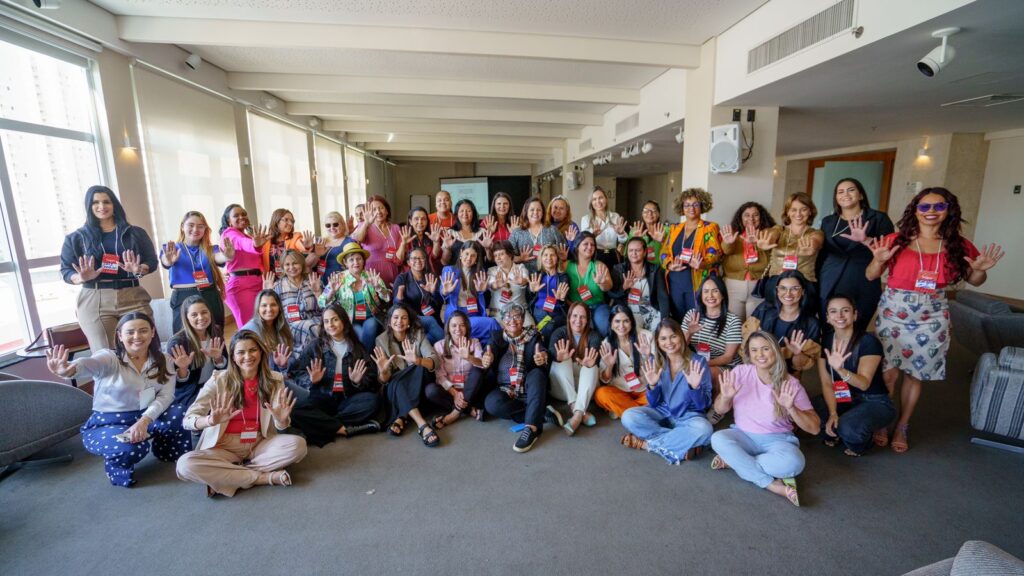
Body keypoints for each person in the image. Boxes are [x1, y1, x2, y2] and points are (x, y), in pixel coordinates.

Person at [867, 187, 1003, 453]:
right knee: (889, 372)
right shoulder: (896, 240)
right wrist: (877, 260)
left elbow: (974, 279)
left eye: (938, 207)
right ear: (915, 210)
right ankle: (884, 420)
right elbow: (871, 275)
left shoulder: (959, 245)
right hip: (895, 310)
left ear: (948, 211)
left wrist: (978, 272)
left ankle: (903, 424)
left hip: (932, 313)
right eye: (925, 207)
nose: (931, 212)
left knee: (915, 373)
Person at [45, 313, 189, 487]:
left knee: (178, 412)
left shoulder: (163, 359)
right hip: (109, 422)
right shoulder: (109, 358)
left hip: (148, 416)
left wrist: (144, 421)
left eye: (143, 331)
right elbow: (90, 364)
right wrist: (68, 371)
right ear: (120, 335)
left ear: (152, 332)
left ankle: (167, 451)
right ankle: (116, 468)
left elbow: (166, 395)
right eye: (130, 332)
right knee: (133, 449)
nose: (137, 336)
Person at [176, 330, 307, 497]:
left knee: (298, 445)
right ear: (233, 356)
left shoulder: (275, 379)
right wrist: (209, 420)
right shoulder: (219, 379)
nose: (248, 356)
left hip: (259, 441)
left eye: (253, 350)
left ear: (260, 351)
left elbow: (280, 422)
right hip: (223, 446)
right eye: (241, 352)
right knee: (184, 465)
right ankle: (261, 478)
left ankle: (230, 476)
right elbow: (187, 420)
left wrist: (281, 421)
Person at [709, 331, 821, 507]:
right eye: (754, 350)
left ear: (775, 351)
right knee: (717, 438)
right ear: (749, 354)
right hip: (743, 435)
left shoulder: (790, 383)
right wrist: (725, 397)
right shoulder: (740, 372)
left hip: (777, 441)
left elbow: (814, 428)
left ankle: (734, 462)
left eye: (765, 349)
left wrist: (791, 408)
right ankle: (772, 485)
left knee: (795, 462)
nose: (759, 355)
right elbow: (719, 409)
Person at [60, 185, 158, 353]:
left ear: (114, 205)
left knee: (145, 350)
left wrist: (140, 268)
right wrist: (80, 277)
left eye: (106, 201)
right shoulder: (76, 238)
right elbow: (65, 270)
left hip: (132, 294)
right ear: (89, 207)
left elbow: (152, 261)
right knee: (106, 355)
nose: (102, 206)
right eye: (95, 202)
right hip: (95, 298)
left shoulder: (135, 233)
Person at [812, 294, 896, 457]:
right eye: (834, 312)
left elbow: (864, 384)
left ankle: (861, 440)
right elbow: (827, 383)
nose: (840, 316)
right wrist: (833, 413)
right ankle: (840, 425)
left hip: (873, 400)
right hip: (843, 396)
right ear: (828, 318)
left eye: (845, 311)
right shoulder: (827, 340)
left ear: (855, 315)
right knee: (811, 410)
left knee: (848, 428)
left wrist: (841, 370)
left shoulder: (868, 342)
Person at [620, 319, 713, 465]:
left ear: (681, 337)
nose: (668, 342)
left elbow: (704, 405)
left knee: (705, 429)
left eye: (673, 336)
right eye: (663, 338)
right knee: (628, 416)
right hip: (662, 413)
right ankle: (680, 442)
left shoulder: (698, 362)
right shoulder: (656, 362)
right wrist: (652, 385)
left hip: (688, 417)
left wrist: (695, 389)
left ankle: (647, 444)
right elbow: (653, 403)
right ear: (657, 342)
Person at [287, 304, 382, 446]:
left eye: (334, 320)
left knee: (373, 401)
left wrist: (358, 382)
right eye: (326, 321)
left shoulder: (357, 348)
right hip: (321, 397)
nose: (330, 324)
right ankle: (343, 429)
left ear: (344, 320)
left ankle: (322, 423)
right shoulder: (315, 346)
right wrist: (311, 380)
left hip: (347, 399)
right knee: (294, 410)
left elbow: (372, 380)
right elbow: (295, 372)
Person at [818, 178, 895, 330]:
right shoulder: (828, 221)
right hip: (829, 281)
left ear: (860, 195)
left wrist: (866, 239)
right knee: (828, 327)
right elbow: (822, 253)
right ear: (836, 198)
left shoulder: (878, 218)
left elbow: (888, 250)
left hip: (863, 280)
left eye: (851, 190)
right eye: (840, 192)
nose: (845, 194)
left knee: (857, 328)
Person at [483, 303, 550, 453]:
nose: (512, 320)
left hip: (529, 387)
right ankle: (540, 412)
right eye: (507, 316)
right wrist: (487, 357)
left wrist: (542, 357)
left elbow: (542, 350)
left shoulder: (534, 335)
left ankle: (531, 428)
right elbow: (489, 351)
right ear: (502, 320)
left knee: (537, 374)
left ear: (523, 319)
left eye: (517, 316)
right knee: (491, 404)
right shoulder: (496, 337)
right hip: (506, 388)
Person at [373, 304, 440, 447]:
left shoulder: (418, 334)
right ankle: (422, 425)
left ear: (409, 321)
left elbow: (435, 361)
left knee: (418, 369)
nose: (399, 321)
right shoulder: (381, 340)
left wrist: (418, 360)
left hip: (419, 381)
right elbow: (383, 380)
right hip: (397, 386)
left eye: (404, 318)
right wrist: (384, 371)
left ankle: (402, 416)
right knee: (395, 381)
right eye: (395, 317)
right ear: (389, 321)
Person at [165, 295, 228, 438]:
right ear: (186, 318)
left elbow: (225, 369)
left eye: (204, 312)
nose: (201, 317)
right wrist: (182, 369)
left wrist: (218, 358)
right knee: (210, 416)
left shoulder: (216, 332)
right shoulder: (177, 342)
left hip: (214, 385)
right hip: (190, 390)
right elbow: (173, 384)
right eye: (194, 314)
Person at [160, 211, 232, 334]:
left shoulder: (211, 249)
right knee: (183, 337)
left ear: (205, 229)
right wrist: (168, 260)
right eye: (191, 225)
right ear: (182, 227)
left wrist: (227, 256)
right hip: (183, 296)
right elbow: (165, 262)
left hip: (209, 294)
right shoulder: (172, 248)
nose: (195, 229)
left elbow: (220, 257)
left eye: (200, 226)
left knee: (215, 334)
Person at [744, 271, 821, 379]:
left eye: (794, 288)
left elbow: (802, 365)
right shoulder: (764, 310)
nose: (788, 294)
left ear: (803, 291)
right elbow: (745, 346)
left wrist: (797, 353)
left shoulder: (811, 323)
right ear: (777, 291)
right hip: (758, 371)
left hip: (787, 376)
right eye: (783, 288)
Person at [661, 188, 723, 321]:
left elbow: (717, 253)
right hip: (675, 282)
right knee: (678, 320)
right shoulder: (674, 229)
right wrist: (670, 265)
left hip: (698, 281)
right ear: (682, 208)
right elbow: (664, 252)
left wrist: (703, 263)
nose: (691, 208)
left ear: (702, 206)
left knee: (698, 319)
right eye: (687, 205)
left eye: (696, 204)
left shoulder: (710, 227)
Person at [318, 242, 390, 354]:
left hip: (371, 316)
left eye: (359, 259)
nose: (356, 262)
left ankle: (361, 359)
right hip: (349, 319)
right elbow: (321, 302)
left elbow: (387, 298)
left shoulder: (371, 276)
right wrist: (332, 292)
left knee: (371, 326)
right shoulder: (338, 278)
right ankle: (366, 359)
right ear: (345, 263)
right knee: (358, 333)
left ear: (363, 261)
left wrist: (378, 287)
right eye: (351, 260)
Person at [548, 302, 603, 435]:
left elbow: (594, 355)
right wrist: (558, 357)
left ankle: (577, 415)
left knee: (591, 367)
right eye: (575, 316)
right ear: (569, 317)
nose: (578, 321)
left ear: (588, 320)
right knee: (563, 359)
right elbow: (551, 351)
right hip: (563, 390)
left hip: (585, 391)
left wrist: (589, 363)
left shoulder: (594, 335)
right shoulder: (559, 333)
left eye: (583, 317)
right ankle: (577, 407)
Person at [428, 311, 489, 430]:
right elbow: (440, 375)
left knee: (477, 372)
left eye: (462, 325)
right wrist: (455, 393)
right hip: (450, 391)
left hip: (471, 390)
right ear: (448, 328)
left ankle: (454, 414)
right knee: (430, 390)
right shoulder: (439, 346)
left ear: (466, 327)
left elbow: (482, 364)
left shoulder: (474, 342)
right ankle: (469, 409)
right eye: (454, 325)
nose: (458, 329)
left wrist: (468, 357)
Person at [594, 305, 654, 419]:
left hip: (645, 389)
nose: (621, 326)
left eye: (626, 321)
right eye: (617, 321)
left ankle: (625, 412)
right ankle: (642, 414)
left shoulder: (646, 336)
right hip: (621, 390)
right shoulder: (606, 344)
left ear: (632, 322)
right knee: (600, 394)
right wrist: (610, 365)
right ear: (611, 324)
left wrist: (648, 356)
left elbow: (659, 368)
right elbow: (605, 379)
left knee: (658, 394)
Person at [759, 193, 824, 294]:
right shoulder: (779, 230)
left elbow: (816, 241)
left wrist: (812, 246)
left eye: (803, 209)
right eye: (794, 210)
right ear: (787, 212)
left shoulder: (816, 233)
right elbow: (772, 234)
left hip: (804, 286)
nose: (798, 214)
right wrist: (767, 240)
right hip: (776, 284)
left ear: (810, 212)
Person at [720, 202, 776, 320]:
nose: (751, 218)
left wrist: (757, 244)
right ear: (740, 218)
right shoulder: (733, 235)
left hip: (758, 288)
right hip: (733, 287)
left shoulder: (767, 236)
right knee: (734, 324)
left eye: (755, 215)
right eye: (747, 215)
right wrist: (729, 243)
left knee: (753, 326)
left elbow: (770, 259)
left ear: (761, 218)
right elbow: (726, 250)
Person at [682, 276, 743, 382]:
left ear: (723, 294)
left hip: (726, 366)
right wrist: (689, 333)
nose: (710, 296)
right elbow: (680, 348)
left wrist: (701, 365)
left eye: (715, 291)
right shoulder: (691, 315)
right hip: (697, 362)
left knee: (705, 374)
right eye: (706, 291)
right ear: (701, 295)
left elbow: (728, 357)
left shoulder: (733, 321)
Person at [218, 204, 271, 327]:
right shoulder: (229, 233)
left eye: (244, 214)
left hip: (257, 282)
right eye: (236, 215)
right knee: (249, 327)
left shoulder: (247, 236)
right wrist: (255, 245)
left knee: (260, 324)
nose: (241, 217)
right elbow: (242, 244)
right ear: (228, 221)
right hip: (241, 287)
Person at [263, 249, 322, 355]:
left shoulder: (313, 281)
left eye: (295, 263)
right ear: (282, 267)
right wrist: (267, 293)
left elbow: (327, 308)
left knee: (321, 328)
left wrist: (318, 293)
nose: (291, 267)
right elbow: (268, 312)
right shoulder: (278, 286)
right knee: (311, 328)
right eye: (287, 264)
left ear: (302, 264)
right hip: (291, 327)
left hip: (317, 322)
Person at [439, 241, 500, 341]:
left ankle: (483, 352)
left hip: (474, 312)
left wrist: (481, 291)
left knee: (486, 338)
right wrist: (445, 291)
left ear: (476, 258)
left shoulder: (480, 272)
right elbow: (443, 292)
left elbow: (480, 294)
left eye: (473, 255)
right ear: (461, 253)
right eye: (466, 254)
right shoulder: (449, 270)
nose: (469, 258)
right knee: (492, 324)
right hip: (456, 313)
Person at [611, 236, 671, 333]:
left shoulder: (655, 269)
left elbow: (662, 297)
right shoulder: (619, 269)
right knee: (639, 333)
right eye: (630, 250)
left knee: (661, 331)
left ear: (645, 252)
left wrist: (665, 320)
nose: (633, 253)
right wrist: (624, 287)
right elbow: (612, 294)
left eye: (637, 250)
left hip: (651, 309)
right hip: (629, 310)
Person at [393, 247, 445, 344]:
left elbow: (440, 303)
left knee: (428, 338)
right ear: (408, 262)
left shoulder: (431, 277)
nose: (418, 261)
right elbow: (396, 306)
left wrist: (434, 292)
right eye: (414, 258)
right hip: (412, 318)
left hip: (433, 317)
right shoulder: (402, 278)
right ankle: (449, 348)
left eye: (422, 258)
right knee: (430, 321)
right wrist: (399, 298)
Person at [567, 232, 614, 337]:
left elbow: (609, 287)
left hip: (597, 306)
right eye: (586, 244)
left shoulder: (599, 265)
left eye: (592, 245)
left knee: (604, 325)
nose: (589, 247)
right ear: (577, 246)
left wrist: (602, 283)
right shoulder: (566, 265)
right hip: (575, 307)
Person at [350, 195, 404, 285]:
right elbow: (358, 239)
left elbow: (400, 256)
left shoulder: (396, 228)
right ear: (369, 212)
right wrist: (367, 223)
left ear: (387, 211)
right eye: (374, 209)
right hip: (371, 276)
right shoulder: (365, 226)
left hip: (393, 273)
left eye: (381, 208)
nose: (378, 212)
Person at [240, 289, 295, 371]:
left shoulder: (282, 325)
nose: (269, 309)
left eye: (273, 305)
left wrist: (284, 365)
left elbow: (289, 356)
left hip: (281, 371)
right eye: (264, 305)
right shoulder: (250, 331)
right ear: (258, 308)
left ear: (279, 307)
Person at [527, 245, 571, 344]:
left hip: (556, 312)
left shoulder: (563, 277)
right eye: (545, 255)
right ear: (541, 258)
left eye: (552, 255)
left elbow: (564, 301)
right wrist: (532, 291)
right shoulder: (536, 275)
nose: (549, 258)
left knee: (550, 327)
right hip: (538, 312)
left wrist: (561, 299)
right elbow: (529, 298)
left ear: (557, 258)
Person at [509, 196, 561, 273]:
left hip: (548, 276)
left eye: (539, 210)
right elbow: (507, 256)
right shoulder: (517, 232)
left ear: (543, 212)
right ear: (526, 212)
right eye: (532, 210)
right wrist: (520, 258)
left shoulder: (552, 230)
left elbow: (562, 251)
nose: (535, 212)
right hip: (524, 277)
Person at [580, 186, 627, 269]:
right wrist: (593, 236)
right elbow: (583, 243)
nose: (598, 201)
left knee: (616, 280)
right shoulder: (586, 219)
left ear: (606, 199)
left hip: (614, 255)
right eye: (594, 199)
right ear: (591, 202)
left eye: (600, 198)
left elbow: (622, 241)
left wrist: (621, 234)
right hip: (596, 255)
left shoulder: (615, 216)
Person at [487, 240, 533, 324]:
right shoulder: (492, 270)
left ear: (510, 254)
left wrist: (521, 281)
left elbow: (525, 279)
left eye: (501, 254)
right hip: (498, 313)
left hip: (519, 313)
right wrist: (496, 285)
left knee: (532, 332)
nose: (498, 258)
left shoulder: (520, 267)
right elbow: (491, 284)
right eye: (495, 255)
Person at [262, 208, 315, 279]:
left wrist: (306, 246)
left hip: (290, 280)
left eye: (292, 221)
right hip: (270, 281)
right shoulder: (265, 240)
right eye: (286, 220)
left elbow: (300, 244)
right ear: (276, 221)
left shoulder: (295, 236)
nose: (290, 224)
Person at [443, 198, 493, 265]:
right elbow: (444, 262)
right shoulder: (450, 233)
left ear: (473, 213)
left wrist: (488, 249)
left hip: (479, 273)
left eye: (468, 211)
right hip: (456, 273)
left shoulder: (483, 232)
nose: (465, 213)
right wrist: (447, 249)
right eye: (461, 211)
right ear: (457, 214)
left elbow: (491, 260)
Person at [312, 210, 354, 287]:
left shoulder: (349, 241)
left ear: (343, 224)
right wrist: (315, 254)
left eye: (335, 224)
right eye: (328, 225)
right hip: (322, 284)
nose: (332, 228)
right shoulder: (320, 242)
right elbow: (311, 265)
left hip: (343, 284)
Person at [402, 206, 443, 275]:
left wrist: (436, 242)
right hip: (411, 276)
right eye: (416, 219)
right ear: (410, 221)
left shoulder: (432, 234)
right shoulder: (405, 235)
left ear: (427, 221)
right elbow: (398, 260)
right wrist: (403, 244)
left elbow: (435, 256)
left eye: (423, 219)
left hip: (430, 274)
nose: (420, 222)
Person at [627, 200, 670, 265]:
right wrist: (636, 241)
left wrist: (662, 241)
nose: (650, 213)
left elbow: (672, 250)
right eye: (646, 211)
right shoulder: (635, 231)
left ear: (658, 214)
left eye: (653, 211)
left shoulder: (666, 230)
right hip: (641, 269)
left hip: (661, 268)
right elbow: (627, 254)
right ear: (642, 214)